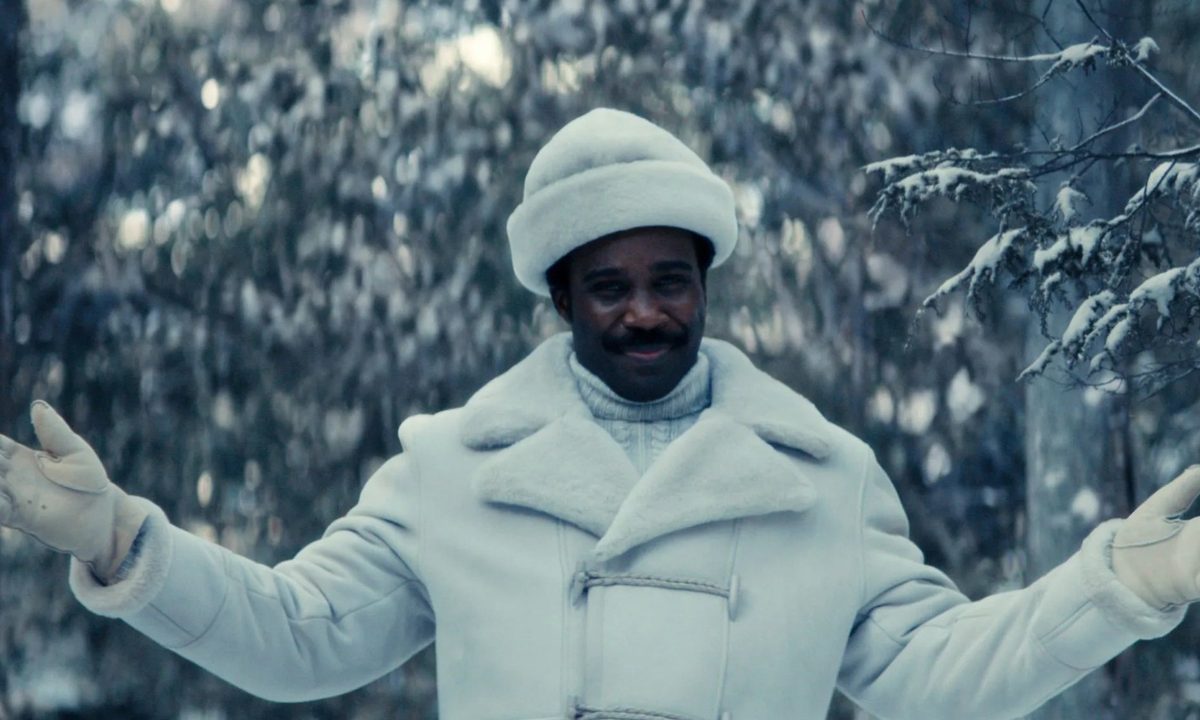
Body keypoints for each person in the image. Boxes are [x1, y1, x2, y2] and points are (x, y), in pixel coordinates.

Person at [0, 107, 1198, 720]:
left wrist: (1114, 589)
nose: (644, 314)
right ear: (561, 298)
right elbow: (298, 637)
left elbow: (937, 676)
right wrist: (120, 541)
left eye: (669, 281)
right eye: (610, 289)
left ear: (706, 286)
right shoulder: (454, 473)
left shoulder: (822, 477)